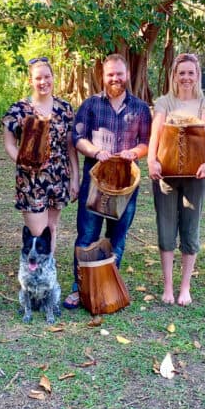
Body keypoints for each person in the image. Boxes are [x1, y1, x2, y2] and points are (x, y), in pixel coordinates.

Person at [63, 53, 151, 309]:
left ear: (127, 75)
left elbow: (146, 142)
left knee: (117, 237)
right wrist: (95, 152)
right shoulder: (90, 105)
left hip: (125, 181)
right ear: (102, 76)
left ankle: (108, 286)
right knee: (87, 235)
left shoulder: (140, 108)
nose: (115, 78)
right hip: (96, 177)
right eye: (110, 74)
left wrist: (133, 153)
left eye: (119, 74)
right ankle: (80, 289)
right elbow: (77, 138)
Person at [147, 53, 205, 306]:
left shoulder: (204, 104)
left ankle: (185, 286)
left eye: (190, 73)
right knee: (166, 229)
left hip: (195, 175)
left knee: (190, 228)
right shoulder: (164, 102)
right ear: (174, 75)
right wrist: (152, 160)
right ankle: (168, 286)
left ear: (197, 76)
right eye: (181, 73)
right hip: (166, 172)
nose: (186, 78)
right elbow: (156, 133)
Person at [2, 57, 79, 253]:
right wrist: (24, 162)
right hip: (31, 180)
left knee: (51, 228)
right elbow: (9, 145)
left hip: (58, 176)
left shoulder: (65, 109)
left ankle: (47, 272)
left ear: (53, 78)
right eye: (38, 78)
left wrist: (75, 179)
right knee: (37, 231)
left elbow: (70, 147)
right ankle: (32, 273)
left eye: (47, 77)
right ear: (31, 81)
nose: (43, 82)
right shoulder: (18, 110)